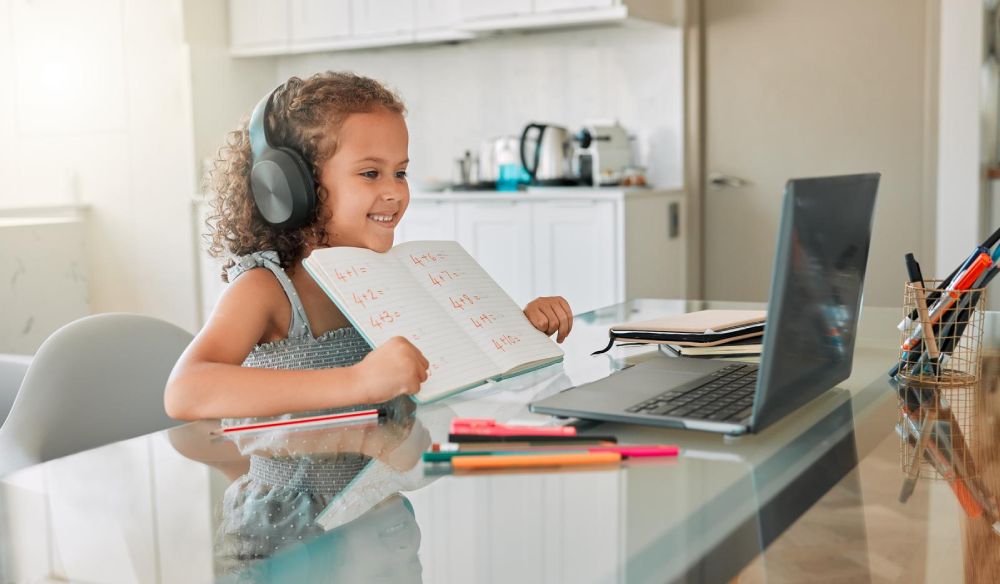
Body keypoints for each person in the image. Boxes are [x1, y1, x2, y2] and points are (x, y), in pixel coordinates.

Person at [165, 72, 573, 421]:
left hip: (377, 492)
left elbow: (448, 359)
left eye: (400, 173)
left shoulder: (388, 276)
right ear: (293, 187)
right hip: (295, 507)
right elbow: (185, 390)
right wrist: (356, 381)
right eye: (371, 173)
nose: (394, 192)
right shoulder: (267, 288)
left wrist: (517, 331)